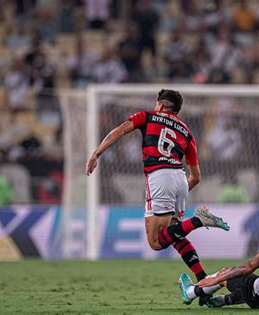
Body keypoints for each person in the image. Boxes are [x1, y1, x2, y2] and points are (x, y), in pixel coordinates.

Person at [85, 89, 230, 286]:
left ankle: (198, 220)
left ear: (160, 105)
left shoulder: (147, 116)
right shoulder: (187, 132)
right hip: (180, 179)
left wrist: (96, 154)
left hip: (160, 176)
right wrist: (178, 190)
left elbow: (118, 131)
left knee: (155, 242)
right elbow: (196, 177)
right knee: (175, 235)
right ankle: (203, 279)